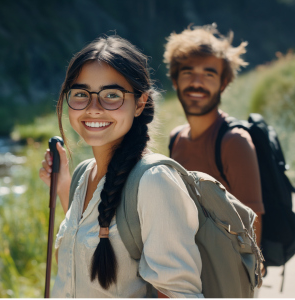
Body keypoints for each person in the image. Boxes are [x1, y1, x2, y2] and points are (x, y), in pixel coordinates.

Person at [39, 35, 203, 298]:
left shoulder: (154, 181)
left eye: (111, 95)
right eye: (81, 94)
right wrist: (62, 187)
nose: (93, 108)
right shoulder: (83, 173)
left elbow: (178, 294)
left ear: (139, 103)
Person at [164, 24, 265, 245]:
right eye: (188, 72)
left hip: (225, 274)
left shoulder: (234, 142)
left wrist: (249, 275)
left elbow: (253, 221)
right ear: (175, 80)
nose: (197, 83)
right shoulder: (176, 138)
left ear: (223, 83)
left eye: (209, 74)